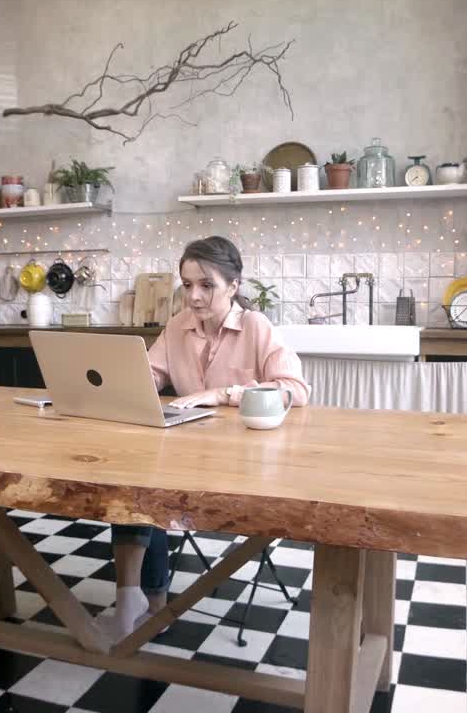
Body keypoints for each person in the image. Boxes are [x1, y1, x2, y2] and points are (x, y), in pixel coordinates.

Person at [102, 235, 310, 640]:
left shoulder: (256, 326)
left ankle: (149, 602)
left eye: (206, 285)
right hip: (184, 458)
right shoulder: (178, 326)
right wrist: (131, 379)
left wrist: (223, 395)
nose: (194, 297)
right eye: (187, 285)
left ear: (233, 286)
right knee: (134, 482)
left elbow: (295, 390)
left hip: (244, 466)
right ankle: (135, 599)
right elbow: (153, 373)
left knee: (151, 487)